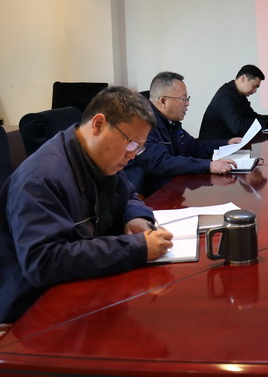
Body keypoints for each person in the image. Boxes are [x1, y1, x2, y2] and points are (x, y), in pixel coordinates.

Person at [0, 86, 174, 324]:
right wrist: (136, 247)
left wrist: (136, 218)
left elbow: (129, 194)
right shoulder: (41, 180)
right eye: (131, 143)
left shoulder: (101, 158)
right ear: (98, 124)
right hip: (34, 314)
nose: (133, 155)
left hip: (86, 288)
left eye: (139, 147)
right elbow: (44, 262)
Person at [124, 71, 241, 197]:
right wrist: (208, 165)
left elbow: (193, 146)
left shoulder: (171, 123)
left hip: (172, 189)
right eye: (183, 99)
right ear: (163, 101)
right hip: (148, 197)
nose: (187, 103)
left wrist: (226, 143)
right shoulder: (142, 124)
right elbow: (160, 162)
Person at [199, 64, 268, 139]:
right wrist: (267, 124)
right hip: (213, 149)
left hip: (228, 144)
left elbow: (251, 116)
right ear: (243, 78)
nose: (255, 91)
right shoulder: (225, 96)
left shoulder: (238, 94)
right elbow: (237, 127)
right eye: (254, 86)